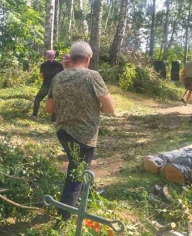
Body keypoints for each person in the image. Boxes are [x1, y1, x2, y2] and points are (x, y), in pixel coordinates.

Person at [45, 41, 115, 228]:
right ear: (88, 58)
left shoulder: (58, 77)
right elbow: (109, 108)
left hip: (63, 132)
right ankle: (62, 221)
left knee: (80, 168)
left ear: (71, 57)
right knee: (76, 175)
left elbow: (49, 108)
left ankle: (86, 197)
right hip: (85, 135)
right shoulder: (93, 76)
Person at [31, 50, 63, 121]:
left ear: (47, 56)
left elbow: (42, 76)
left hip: (46, 85)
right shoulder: (59, 64)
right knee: (55, 101)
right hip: (55, 86)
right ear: (54, 56)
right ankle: (53, 119)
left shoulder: (44, 64)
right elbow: (61, 76)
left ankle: (34, 115)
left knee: (38, 99)